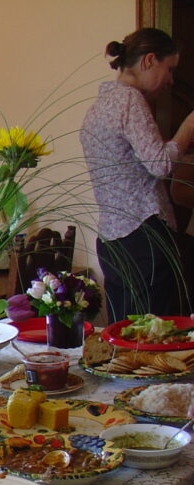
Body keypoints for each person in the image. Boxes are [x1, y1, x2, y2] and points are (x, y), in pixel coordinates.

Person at [81, 27, 194, 322]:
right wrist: (188, 128)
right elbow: (159, 164)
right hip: (143, 235)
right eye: (168, 69)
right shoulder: (130, 101)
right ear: (149, 60)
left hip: (111, 239)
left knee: (124, 332)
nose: (170, 80)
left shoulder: (98, 107)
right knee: (151, 334)